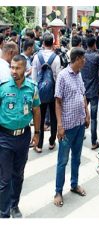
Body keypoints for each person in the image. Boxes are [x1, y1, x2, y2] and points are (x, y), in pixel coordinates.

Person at [0, 55, 41, 218]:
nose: (13, 71)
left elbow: (36, 111)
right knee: (4, 178)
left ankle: (14, 206)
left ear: (25, 69)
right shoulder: (3, 88)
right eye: (12, 67)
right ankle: (3, 213)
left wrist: (37, 133)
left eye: (17, 68)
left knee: (18, 175)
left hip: (23, 137)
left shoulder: (32, 88)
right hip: (4, 138)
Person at [54, 47, 90, 207]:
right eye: (83, 59)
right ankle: (58, 191)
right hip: (67, 127)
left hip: (79, 124)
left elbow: (83, 95)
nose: (85, 61)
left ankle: (74, 184)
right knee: (62, 161)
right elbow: (58, 101)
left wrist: (87, 114)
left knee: (76, 158)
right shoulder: (62, 76)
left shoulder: (79, 74)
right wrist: (59, 125)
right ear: (76, 59)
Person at [31, 33, 62, 153]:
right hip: (53, 91)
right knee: (53, 117)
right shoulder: (56, 57)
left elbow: (34, 77)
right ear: (53, 43)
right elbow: (58, 76)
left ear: (43, 43)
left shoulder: (36, 57)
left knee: (40, 116)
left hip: (39, 91)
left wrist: (35, 92)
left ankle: (39, 144)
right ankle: (51, 142)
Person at [81, 36, 99, 150]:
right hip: (94, 90)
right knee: (93, 117)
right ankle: (93, 142)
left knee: (82, 114)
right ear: (94, 45)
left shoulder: (83, 56)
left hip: (83, 89)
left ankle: (81, 135)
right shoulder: (96, 57)